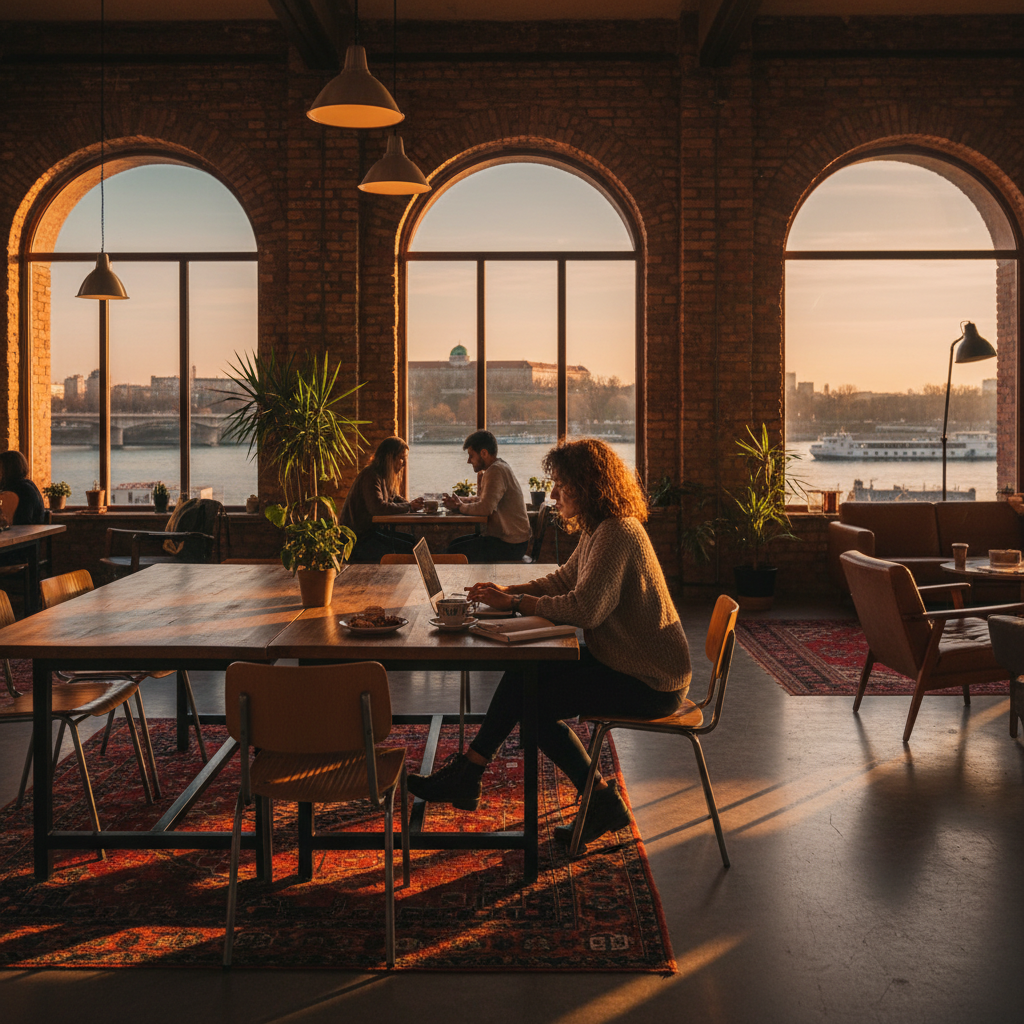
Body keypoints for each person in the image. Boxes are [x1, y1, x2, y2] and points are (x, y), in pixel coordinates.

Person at [410, 438, 692, 853]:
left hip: (650, 681)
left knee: (535, 709)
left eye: (561, 484)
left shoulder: (615, 533)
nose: (555, 493)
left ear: (588, 485)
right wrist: (508, 590)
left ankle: (598, 801)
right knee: (525, 675)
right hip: (622, 662)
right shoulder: (603, 528)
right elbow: (562, 581)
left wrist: (517, 602)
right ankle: (469, 771)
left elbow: (587, 609)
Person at [443, 430, 532, 563]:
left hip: (510, 545)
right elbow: (486, 499)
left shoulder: (495, 471)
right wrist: (462, 501)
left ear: (483, 453)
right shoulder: (500, 466)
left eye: (471, 455)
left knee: (453, 552)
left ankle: (471, 582)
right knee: (455, 544)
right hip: (515, 542)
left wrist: (460, 507)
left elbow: (485, 508)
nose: (468, 461)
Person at [340, 437, 424, 564]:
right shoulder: (371, 475)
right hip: (358, 540)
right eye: (402, 458)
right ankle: (394, 581)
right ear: (389, 457)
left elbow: (394, 497)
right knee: (406, 547)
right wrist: (409, 507)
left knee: (411, 541)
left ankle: (398, 581)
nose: (404, 463)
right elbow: (377, 508)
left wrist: (412, 504)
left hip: (370, 534)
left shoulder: (383, 476)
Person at [0, 450, 44, 528]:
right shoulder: (28, 485)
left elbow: (18, 522)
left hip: (22, 536)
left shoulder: (20, 489)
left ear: (7, 469)